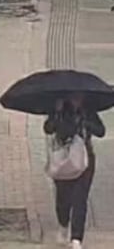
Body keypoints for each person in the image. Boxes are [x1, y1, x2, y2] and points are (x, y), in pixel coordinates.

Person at [45, 93, 105, 248]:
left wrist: (86, 123)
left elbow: (101, 131)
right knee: (63, 198)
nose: (77, 99)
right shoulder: (60, 109)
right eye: (73, 96)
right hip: (63, 159)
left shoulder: (88, 111)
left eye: (79, 96)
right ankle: (63, 225)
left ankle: (76, 238)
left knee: (80, 198)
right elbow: (48, 129)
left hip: (84, 159)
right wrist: (57, 113)